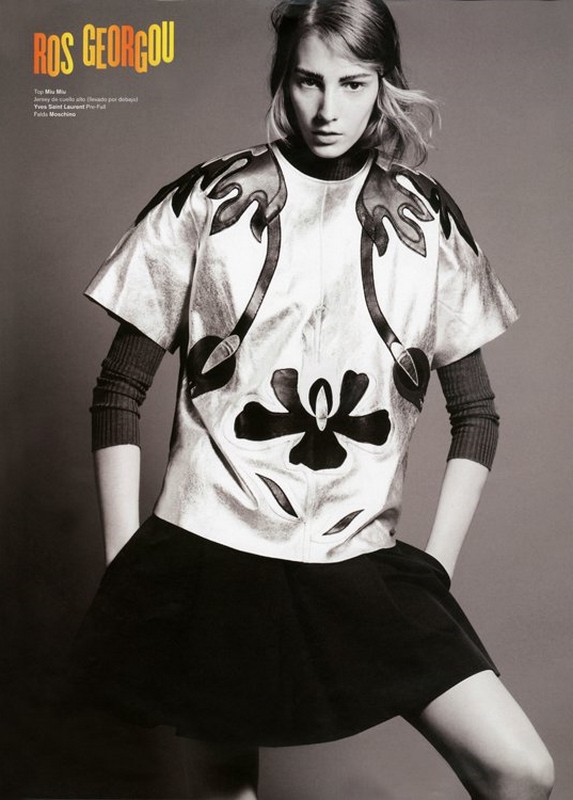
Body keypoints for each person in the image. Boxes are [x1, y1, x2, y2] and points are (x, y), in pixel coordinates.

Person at [72, 1, 554, 798]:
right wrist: (125, 564)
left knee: (521, 772)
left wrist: (433, 568)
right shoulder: (206, 200)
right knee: (225, 790)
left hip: (355, 555)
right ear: (281, 81)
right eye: (307, 81)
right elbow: (118, 388)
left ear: (382, 85)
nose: (328, 108)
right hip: (210, 555)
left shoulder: (426, 220)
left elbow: (476, 414)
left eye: (351, 83)